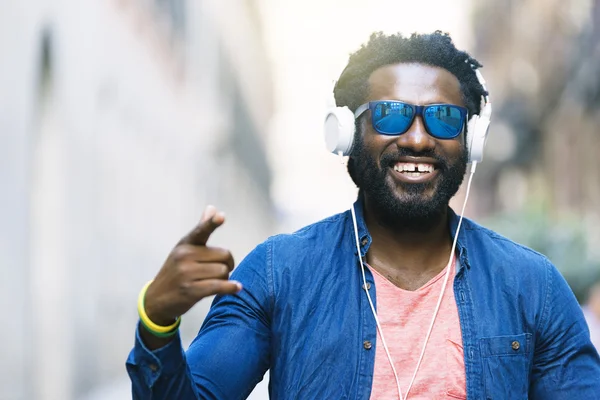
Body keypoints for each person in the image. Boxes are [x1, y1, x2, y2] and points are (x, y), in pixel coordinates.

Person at [126, 31, 600, 399]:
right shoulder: (279, 273)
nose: (417, 139)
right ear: (346, 136)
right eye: (391, 116)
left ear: (470, 142)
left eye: (443, 118)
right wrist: (158, 320)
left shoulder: (532, 285)